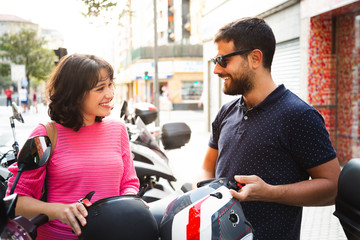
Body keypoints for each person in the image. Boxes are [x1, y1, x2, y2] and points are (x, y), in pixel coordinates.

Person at [197, 17, 341, 240]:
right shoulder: (225, 112)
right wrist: (208, 197)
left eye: (223, 60)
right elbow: (207, 168)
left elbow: (333, 187)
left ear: (255, 58)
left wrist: (270, 192)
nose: (216, 69)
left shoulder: (299, 116)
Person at [6, 54, 140, 240]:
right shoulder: (46, 134)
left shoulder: (118, 129)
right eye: (100, 88)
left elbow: (129, 183)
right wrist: (60, 211)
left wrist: (129, 203)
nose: (109, 94)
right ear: (75, 94)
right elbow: (17, 202)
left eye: (110, 85)